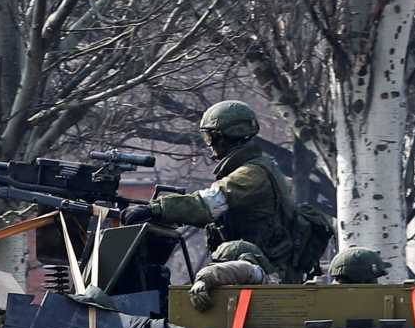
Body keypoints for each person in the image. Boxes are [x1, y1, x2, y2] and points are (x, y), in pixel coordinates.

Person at [120, 101, 327, 280]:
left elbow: (208, 204)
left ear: (225, 137)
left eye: (209, 138)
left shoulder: (253, 174)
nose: (209, 145)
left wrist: (155, 209)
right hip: (255, 269)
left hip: (266, 276)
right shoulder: (258, 167)